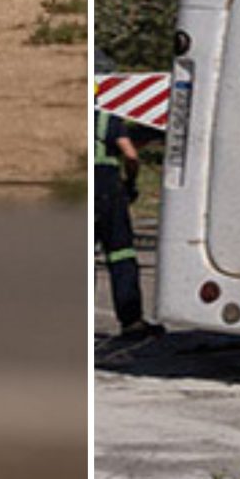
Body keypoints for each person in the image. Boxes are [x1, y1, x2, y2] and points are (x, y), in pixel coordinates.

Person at [95, 108, 161, 343]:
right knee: (120, 255)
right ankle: (132, 322)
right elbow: (131, 155)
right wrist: (130, 182)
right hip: (107, 196)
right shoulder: (106, 120)